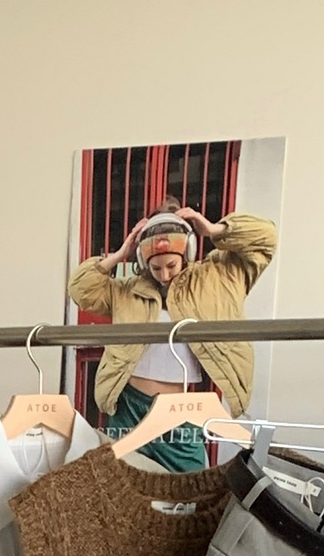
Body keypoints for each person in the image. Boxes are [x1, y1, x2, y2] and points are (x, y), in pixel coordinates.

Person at [68, 198, 277, 470]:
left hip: (182, 411)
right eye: (155, 267)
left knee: (191, 484)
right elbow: (80, 289)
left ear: (188, 252)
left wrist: (213, 229)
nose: (164, 275)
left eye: (171, 265)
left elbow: (266, 239)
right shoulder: (127, 291)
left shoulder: (218, 279)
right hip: (128, 407)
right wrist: (120, 253)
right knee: (125, 488)